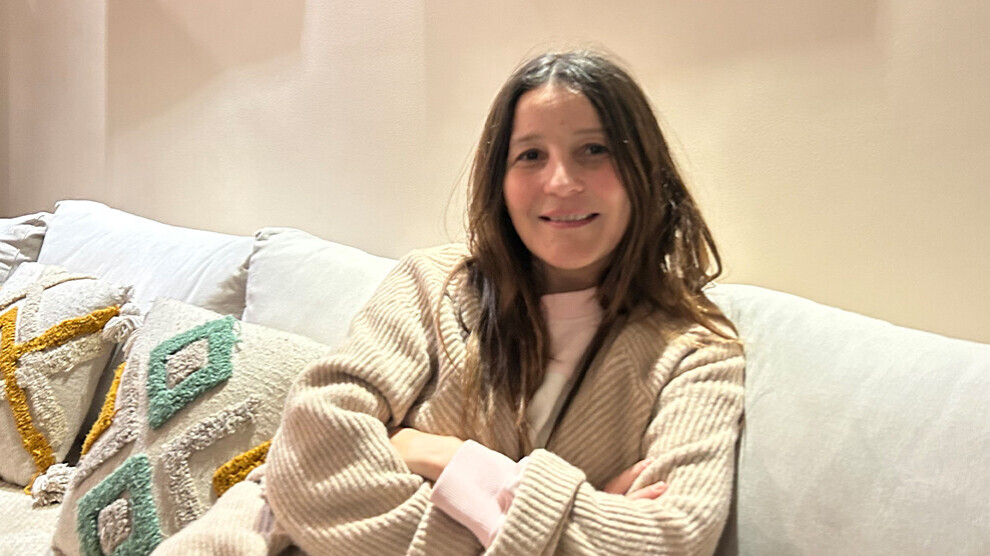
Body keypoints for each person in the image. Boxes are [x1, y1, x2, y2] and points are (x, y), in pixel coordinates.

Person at [156, 49, 744, 556]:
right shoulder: (432, 282)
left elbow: (671, 538)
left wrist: (447, 458)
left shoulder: (696, 352)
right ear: (499, 179)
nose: (561, 182)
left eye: (594, 149)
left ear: (645, 171)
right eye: (530, 155)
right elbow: (309, 460)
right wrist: (563, 516)